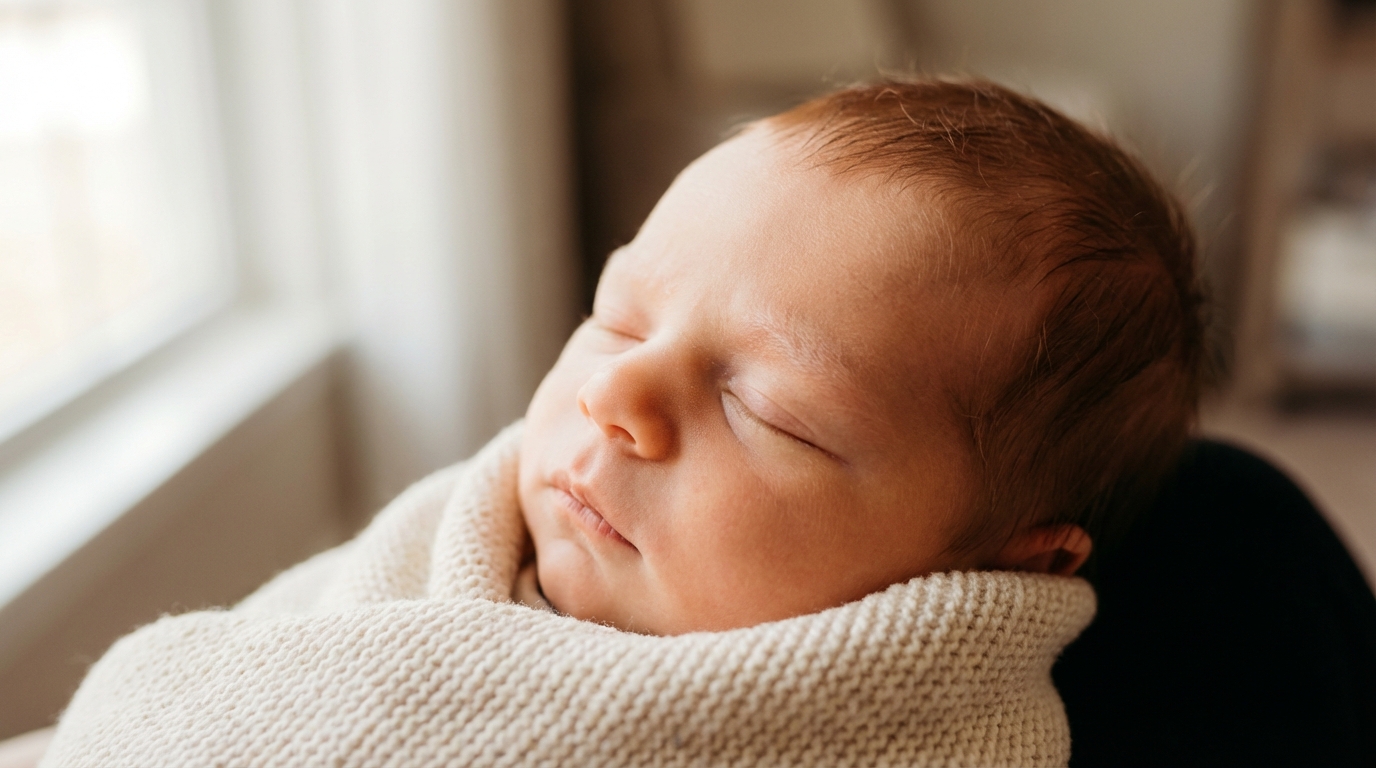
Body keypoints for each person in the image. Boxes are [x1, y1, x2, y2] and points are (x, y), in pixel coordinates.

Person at [34, 79, 1201, 767]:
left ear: (1008, 559)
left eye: (769, 413)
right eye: (616, 315)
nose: (615, 399)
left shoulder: (932, 733)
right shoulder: (464, 531)